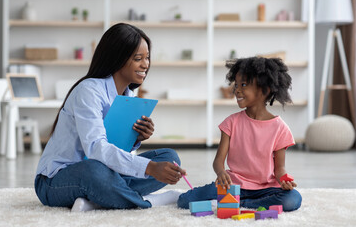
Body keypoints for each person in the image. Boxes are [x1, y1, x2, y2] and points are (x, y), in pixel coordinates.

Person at [34, 23, 186, 212]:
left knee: (170, 158)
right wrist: (149, 167)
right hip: (55, 181)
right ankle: (148, 202)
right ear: (117, 58)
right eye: (138, 58)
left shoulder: (129, 97)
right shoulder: (88, 90)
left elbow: (114, 148)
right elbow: (96, 149)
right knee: (94, 171)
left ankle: (96, 200)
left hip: (103, 172)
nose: (145, 64)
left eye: (147, 58)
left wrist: (136, 139)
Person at [178, 57, 302, 212]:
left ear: (265, 89)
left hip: (266, 188)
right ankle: (241, 201)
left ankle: (241, 204)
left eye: (243, 85)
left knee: (292, 199)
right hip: (232, 184)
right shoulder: (231, 123)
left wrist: (284, 180)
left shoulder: (280, 128)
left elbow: (279, 169)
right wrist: (221, 172)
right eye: (236, 85)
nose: (236, 90)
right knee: (185, 200)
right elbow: (218, 162)